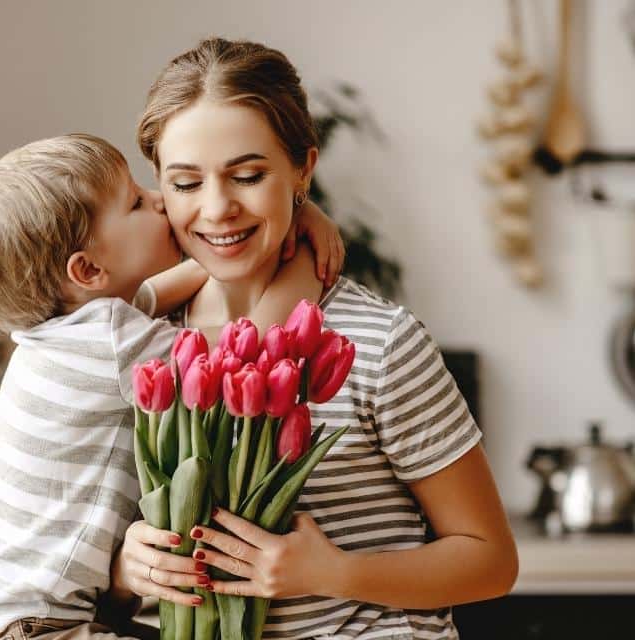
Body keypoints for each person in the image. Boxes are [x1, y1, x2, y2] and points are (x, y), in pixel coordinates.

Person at [110, 38, 518, 639]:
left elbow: (491, 561)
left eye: (248, 175)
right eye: (187, 184)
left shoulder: (382, 343)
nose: (218, 208)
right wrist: (129, 569)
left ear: (304, 168)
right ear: (159, 187)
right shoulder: (142, 342)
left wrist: (335, 573)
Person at [0, 133, 346, 639]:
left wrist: (278, 218)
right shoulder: (111, 344)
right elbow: (252, 351)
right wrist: (304, 257)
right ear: (88, 269)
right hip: (43, 627)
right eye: (135, 202)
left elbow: (158, 291)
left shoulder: (59, 334)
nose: (158, 200)